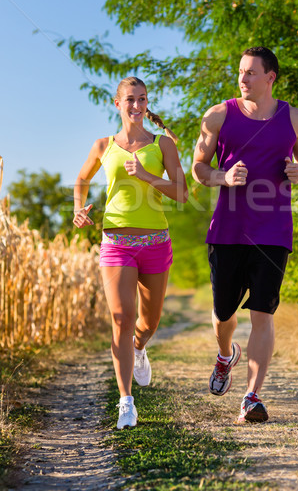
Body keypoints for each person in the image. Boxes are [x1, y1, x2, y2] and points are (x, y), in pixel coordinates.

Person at [192, 47, 298, 423]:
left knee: (263, 312)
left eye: (250, 73)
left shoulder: (294, 119)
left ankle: (252, 396)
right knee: (223, 312)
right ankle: (226, 354)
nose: (242, 79)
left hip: (273, 230)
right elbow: (198, 166)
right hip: (227, 230)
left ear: (270, 78)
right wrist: (221, 177)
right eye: (240, 72)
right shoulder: (217, 115)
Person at [73, 76, 188, 429]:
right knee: (120, 318)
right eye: (130, 100)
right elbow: (81, 180)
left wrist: (147, 177)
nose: (136, 106)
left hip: (155, 242)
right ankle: (126, 403)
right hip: (116, 243)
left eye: (142, 100)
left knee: (148, 322)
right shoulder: (103, 145)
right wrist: (79, 209)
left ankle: (140, 347)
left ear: (146, 103)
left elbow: (182, 193)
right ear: (117, 104)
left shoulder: (162, 144)